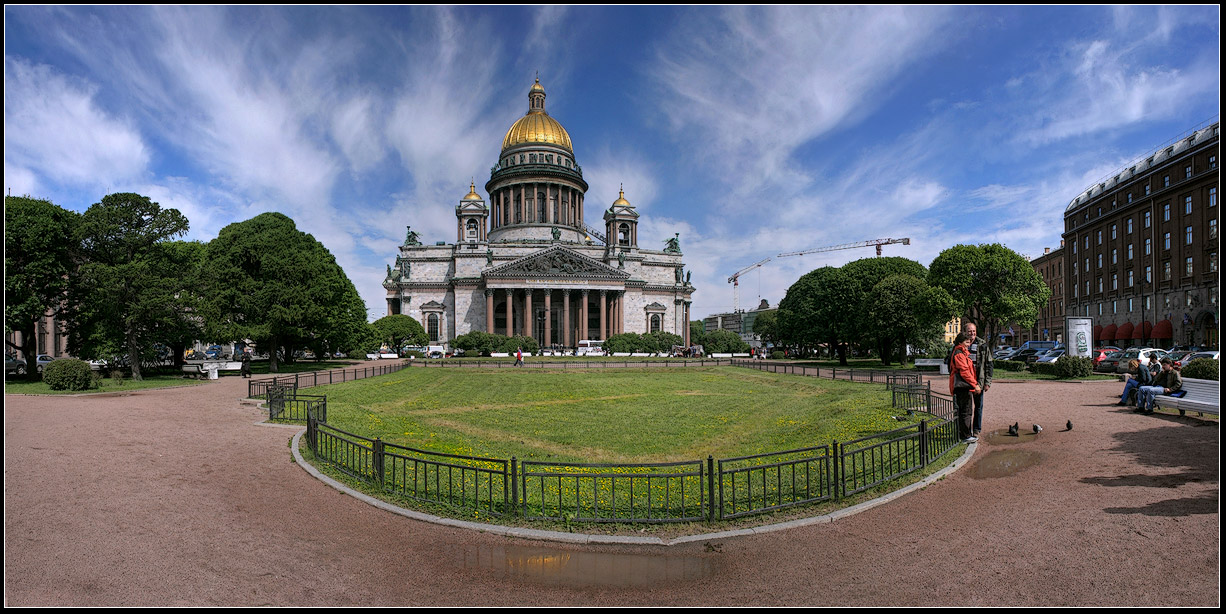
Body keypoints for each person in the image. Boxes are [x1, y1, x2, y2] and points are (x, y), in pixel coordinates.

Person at [961, 322, 993, 437]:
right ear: (965, 332)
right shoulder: (961, 345)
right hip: (965, 382)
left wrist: (987, 382)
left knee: (978, 407)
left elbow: (989, 364)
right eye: (970, 331)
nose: (972, 333)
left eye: (973, 331)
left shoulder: (982, 345)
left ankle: (976, 430)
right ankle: (965, 431)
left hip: (979, 381)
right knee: (966, 408)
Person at [949, 332, 981, 443]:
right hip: (962, 387)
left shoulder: (961, 353)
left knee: (963, 411)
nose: (968, 344)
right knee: (966, 412)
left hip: (962, 386)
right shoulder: (959, 354)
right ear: (960, 342)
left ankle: (962, 434)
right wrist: (975, 384)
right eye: (967, 342)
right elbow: (965, 372)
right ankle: (966, 436)